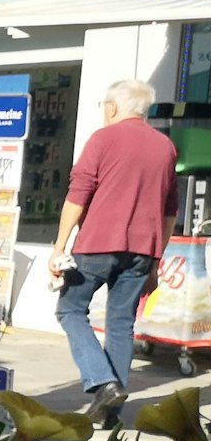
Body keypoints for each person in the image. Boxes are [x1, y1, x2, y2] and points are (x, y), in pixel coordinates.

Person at [50, 78, 177, 423]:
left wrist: (59, 246)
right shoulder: (165, 147)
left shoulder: (103, 139)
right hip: (142, 251)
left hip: (97, 245)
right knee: (121, 324)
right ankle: (110, 414)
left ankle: (102, 383)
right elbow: (170, 212)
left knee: (70, 310)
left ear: (112, 107)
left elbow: (78, 194)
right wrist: (155, 261)